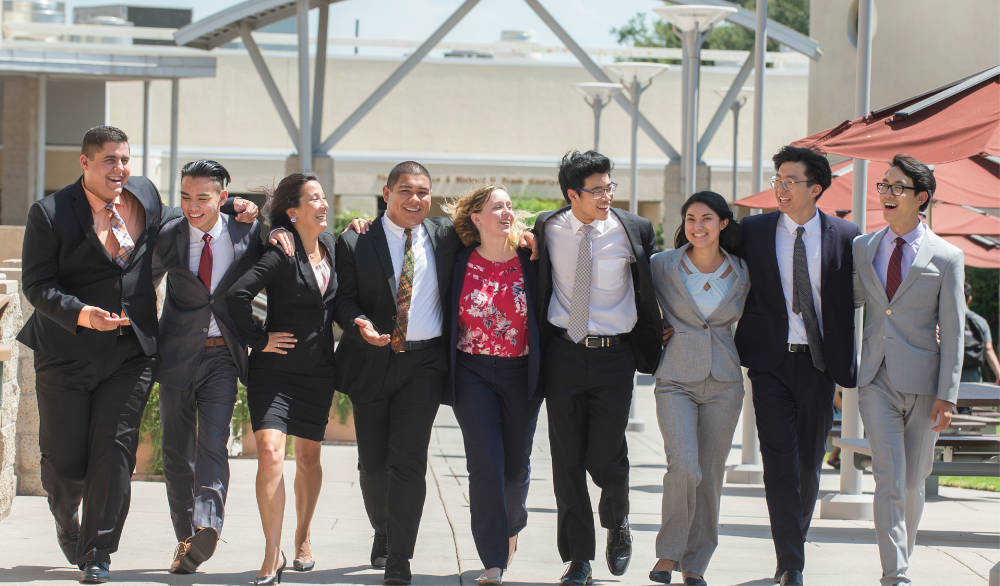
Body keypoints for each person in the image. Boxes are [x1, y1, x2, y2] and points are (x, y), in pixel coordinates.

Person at [17, 125, 256, 584]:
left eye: (125, 159)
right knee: (63, 464)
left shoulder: (142, 194)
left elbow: (192, 208)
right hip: (65, 352)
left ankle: (97, 552)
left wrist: (235, 202)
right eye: (110, 160)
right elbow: (36, 285)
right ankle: (66, 516)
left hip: (131, 352)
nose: (120, 169)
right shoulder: (48, 214)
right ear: (85, 163)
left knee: (116, 451)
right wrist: (83, 313)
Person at [530, 150, 663, 586]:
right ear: (573, 194)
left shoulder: (634, 230)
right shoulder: (546, 227)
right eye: (598, 189)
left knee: (606, 454)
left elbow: (656, 281)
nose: (607, 195)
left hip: (615, 357)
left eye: (610, 187)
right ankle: (579, 560)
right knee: (567, 460)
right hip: (563, 354)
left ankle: (617, 518)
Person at [733, 145, 861, 586]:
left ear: (816, 188)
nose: (781, 189)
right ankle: (790, 562)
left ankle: (794, 544)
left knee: (808, 463)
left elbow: (869, 294)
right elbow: (702, 249)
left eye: (790, 181)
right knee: (779, 464)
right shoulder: (753, 230)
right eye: (777, 181)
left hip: (821, 365)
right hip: (770, 363)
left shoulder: (847, 235)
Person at [332, 161, 464, 586]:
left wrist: (529, 236)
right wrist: (359, 324)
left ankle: (400, 559)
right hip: (371, 360)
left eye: (423, 192)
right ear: (386, 193)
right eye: (406, 191)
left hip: (424, 364)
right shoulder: (355, 240)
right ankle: (383, 530)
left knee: (408, 461)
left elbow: (496, 231)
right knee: (373, 464)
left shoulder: (446, 235)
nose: (415, 199)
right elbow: (342, 299)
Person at [852, 154, 964, 586]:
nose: (887, 194)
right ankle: (894, 575)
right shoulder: (863, 247)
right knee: (889, 479)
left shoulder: (948, 256)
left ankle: (901, 558)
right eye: (883, 185)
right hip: (874, 379)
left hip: (924, 384)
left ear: (921, 198)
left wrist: (947, 394)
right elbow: (848, 306)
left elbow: (953, 333)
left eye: (897, 188)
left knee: (914, 482)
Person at [151, 160, 262, 574]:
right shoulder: (169, 235)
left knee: (213, 441)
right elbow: (145, 284)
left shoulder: (245, 232)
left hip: (222, 356)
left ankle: (207, 523)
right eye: (185, 197)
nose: (192, 206)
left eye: (202, 198)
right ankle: (188, 541)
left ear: (223, 197)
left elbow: (279, 251)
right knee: (176, 452)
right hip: (176, 355)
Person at [227, 172, 338, 585]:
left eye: (324, 197)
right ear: (294, 211)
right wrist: (258, 339)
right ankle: (272, 555)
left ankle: (303, 536)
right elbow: (237, 296)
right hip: (274, 371)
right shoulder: (280, 251)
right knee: (271, 453)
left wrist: (362, 225)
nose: (323, 204)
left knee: (309, 459)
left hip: (317, 371)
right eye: (314, 198)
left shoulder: (330, 246)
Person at [648, 191, 749, 586]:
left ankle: (696, 564)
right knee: (684, 468)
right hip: (675, 379)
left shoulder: (743, 270)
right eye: (690, 218)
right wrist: (651, 330)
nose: (697, 226)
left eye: (706, 218)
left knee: (709, 474)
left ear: (723, 223)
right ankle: (667, 553)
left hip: (724, 382)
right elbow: (636, 302)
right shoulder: (662, 265)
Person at [444, 185, 543, 585]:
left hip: (521, 373)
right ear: (477, 219)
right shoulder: (457, 259)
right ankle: (492, 560)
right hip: (472, 372)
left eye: (508, 206)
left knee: (515, 470)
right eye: (496, 207)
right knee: (486, 464)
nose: (506, 211)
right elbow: (408, 227)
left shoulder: (532, 259)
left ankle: (511, 524)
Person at [961, 281, 1000, 384]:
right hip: (973, 377)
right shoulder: (981, 321)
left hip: (949, 376)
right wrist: (998, 374)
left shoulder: (944, 320)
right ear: (969, 299)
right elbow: (988, 349)